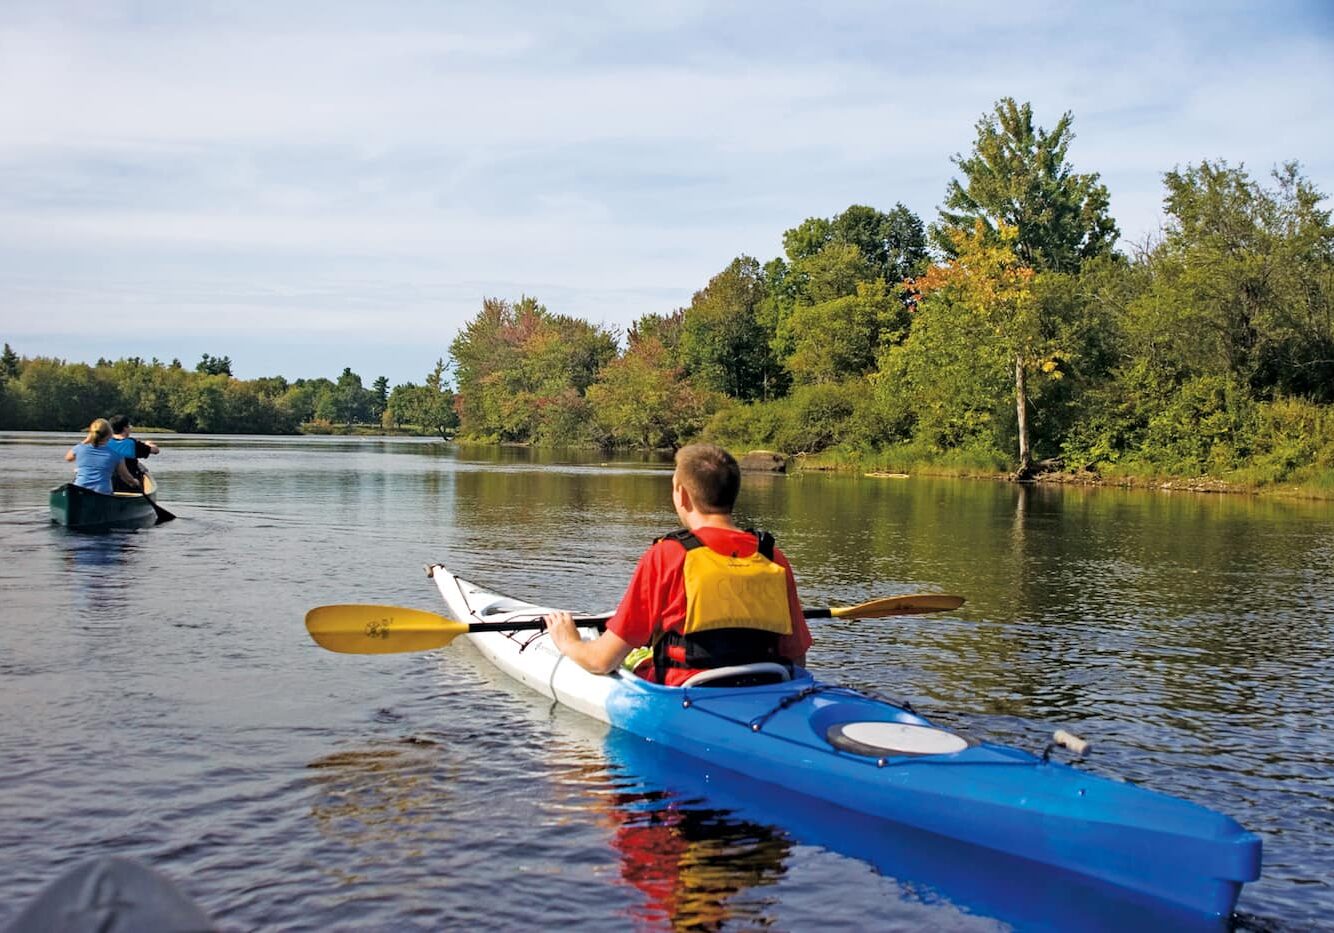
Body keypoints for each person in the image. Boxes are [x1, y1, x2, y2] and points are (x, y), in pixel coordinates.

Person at [544, 443, 811, 685]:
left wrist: (569, 642)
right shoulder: (771, 556)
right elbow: (796, 658)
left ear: (681, 494)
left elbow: (602, 661)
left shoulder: (667, 555)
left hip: (685, 694)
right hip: (765, 687)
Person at [64, 418, 140, 495]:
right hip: (102, 492)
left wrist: (87, 440)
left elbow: (68, 458)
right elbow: (126, 478)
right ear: (110, 434)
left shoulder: (80, 448)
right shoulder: (116, 455)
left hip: (79, 491)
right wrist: (135, 482)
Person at [107, 413, 159, 491]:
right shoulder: (132, 443)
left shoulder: (105, 442)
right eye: (129, 426)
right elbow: (156, 450)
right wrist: (148, 444)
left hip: (109, 485)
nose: (130, 428)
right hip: (130, 484)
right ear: (125, 428)